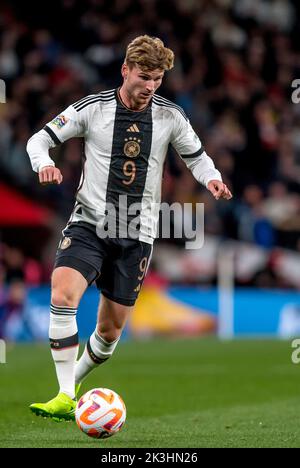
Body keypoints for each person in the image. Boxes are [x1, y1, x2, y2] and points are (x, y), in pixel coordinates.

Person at [26, 35, 232, 421]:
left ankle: (76, 385)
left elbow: (197, 157)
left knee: (108, 334)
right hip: (89, 222)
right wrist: (44, 164)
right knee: (63, 292)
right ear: (126, 70)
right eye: (144, 76)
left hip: (137, 233)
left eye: (157, 79)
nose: (150, 86)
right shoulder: (93, 108)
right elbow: (39, 140)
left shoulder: (170, 116)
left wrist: (212, 179)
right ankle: (65, 394)